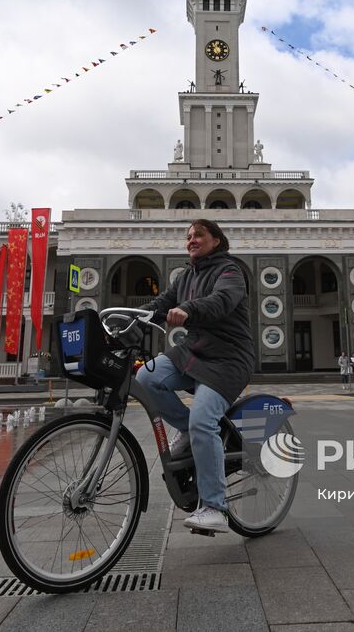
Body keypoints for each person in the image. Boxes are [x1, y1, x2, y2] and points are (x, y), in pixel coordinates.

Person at [135, 218, 253, 535]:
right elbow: (162, 303)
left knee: (204, 420)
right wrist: (132, 318)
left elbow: (222, 301)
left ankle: (214, 506)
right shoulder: (188, 275)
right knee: (146, 379)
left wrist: (188, 309)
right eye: (188, 236)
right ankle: (188, 431)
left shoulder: (230, 271)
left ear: (216, 240)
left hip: (228, 358)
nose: (191, 240)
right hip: (192, 352)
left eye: (198, 234)